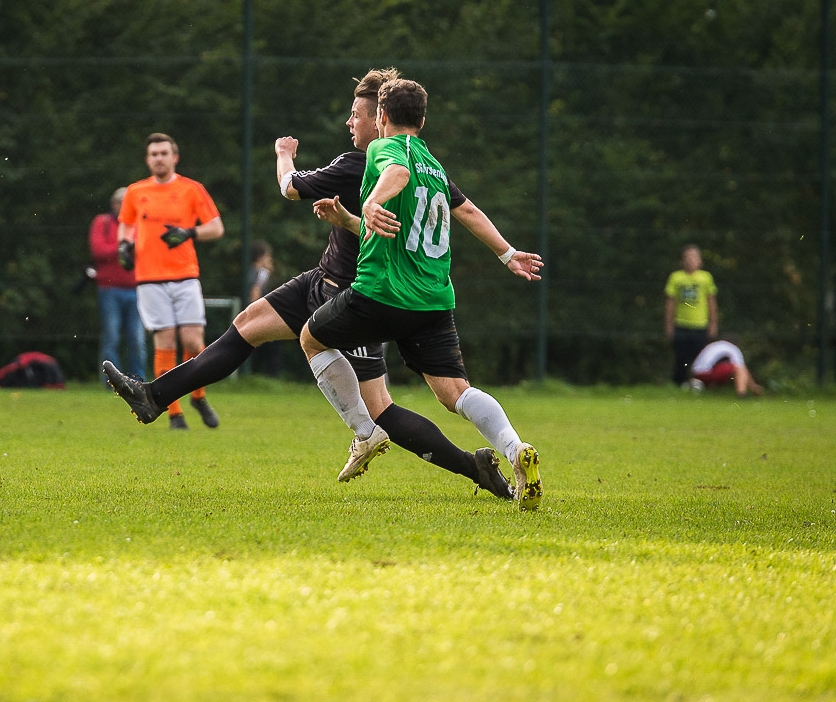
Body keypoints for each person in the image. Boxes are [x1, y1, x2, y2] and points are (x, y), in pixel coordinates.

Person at [103, 69, 513, 501]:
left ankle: (457, 462)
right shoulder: (417, 164)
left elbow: (290, 187)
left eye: (356, 115)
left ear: (379, 119)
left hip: (357, 294)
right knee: (246, 326)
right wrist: (506, 253)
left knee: (380, 408)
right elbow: (446, 214)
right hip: (323, 280)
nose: (349, 122)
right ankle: (154, 396)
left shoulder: (362, 162)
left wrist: (283, 154)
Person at [298, 76, 546, 511]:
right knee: (455, 392)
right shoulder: (435, 165)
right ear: (424, 120)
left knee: (311, 339)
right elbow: (468, 210)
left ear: (382, 116)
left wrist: (370, 201)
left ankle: (364, 431)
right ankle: (515, 448)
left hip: (381, 294)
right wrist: (507, 254)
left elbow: (396, 173)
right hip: (432, 302)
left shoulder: (384, 148)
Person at [116, 133, 224, 430]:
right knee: (164, 343)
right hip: (149, 278)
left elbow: (216, 228)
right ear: (147, 159)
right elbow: (126, 225)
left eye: (164, 153)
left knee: (194, 342)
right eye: (154, 154)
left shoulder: (191, 189)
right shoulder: (136, 191)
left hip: (185, 275)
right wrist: (123, 246)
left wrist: (190, 232)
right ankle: (174, 413)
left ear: (174, 157)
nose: (159, 158)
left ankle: (198, 396)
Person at [89, 187, 146, 382]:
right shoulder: (102, 222)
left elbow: (146, 251)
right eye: (121, 203)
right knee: (111, 337)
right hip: (109, 289)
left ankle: (138, 382)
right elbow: (98, 251)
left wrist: (127, 248)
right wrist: (123, 247)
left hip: (136, 289)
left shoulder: (139, 224)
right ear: (114, 204)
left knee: (137, 340)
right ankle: (112, 382)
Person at [664, 244, 719, 387]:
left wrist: (713, 323)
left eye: (694, 257)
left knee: (700, 357)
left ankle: (699, 383)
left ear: (700, 261)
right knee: (681, 356)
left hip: (700, 324)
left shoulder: (705, 278)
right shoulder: (676, 277)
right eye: (687, 257)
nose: (690, 260)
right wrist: (669, 325)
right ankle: (679, 384)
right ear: (682, 260)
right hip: (681, 323)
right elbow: (670, 303)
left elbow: (711, 302)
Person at [246, 239, 281, 376]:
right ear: (261, 257)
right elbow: (255, 291)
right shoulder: (262, 273)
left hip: (252, 316)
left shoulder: (249, 271)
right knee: (272, 346)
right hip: (259, 315)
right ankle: (271, 376)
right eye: (268, 256)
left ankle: (253, 374)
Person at [690, 339, 764, 397]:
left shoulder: (714, 345)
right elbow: (741, 367)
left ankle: (701, 385)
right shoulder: (733, 348)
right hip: (709, 373)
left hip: (696, 374)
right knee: (737, 368)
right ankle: (742, 393)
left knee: (727, 367)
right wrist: (753, 386)